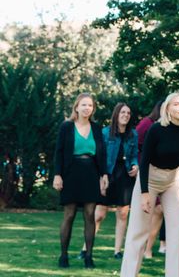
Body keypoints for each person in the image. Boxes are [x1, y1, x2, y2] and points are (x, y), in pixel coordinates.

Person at [120, 92, 179, 277]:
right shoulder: (156, 129)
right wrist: (145, 193)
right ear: (167, 108)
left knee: (178, 231)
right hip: (149, 179)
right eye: (176, 104)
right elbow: (145, 160)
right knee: (138, 232)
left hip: (172, 180)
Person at [53, 93, 108, 269]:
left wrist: (104, 175)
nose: (87, 108)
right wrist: (57, 174)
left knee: (90, 215)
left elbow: (101, 153)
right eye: (83, 105)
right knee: (69, 215)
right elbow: (59, 152)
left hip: (91, 172)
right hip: (70, 172)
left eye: (90, 105)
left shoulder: (97, 128)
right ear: (76, 107)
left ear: (93, 109)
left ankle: (89, 256)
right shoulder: (66, 127)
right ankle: (63, 256)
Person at [89, 103, 139, 259]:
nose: (125, 115)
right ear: (116, 115)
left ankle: (117, 250)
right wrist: (100, 177)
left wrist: (136, 165)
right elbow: (99, 157)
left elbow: (134, 155)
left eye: (128, 113)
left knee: (123, 214)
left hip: (124, 176)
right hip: (107, 175)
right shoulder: (105, 133)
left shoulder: (133, 135)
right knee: (99, 214)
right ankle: (87, 248)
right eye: (122, 112)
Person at [136, 101, 167, 258]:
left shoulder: (169, 127)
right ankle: (140, 248)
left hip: (166, 176)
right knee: (146, 211)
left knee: (159, 211)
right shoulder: (147, 123)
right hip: (147, 173)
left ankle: (148, 248)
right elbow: (136, 142)